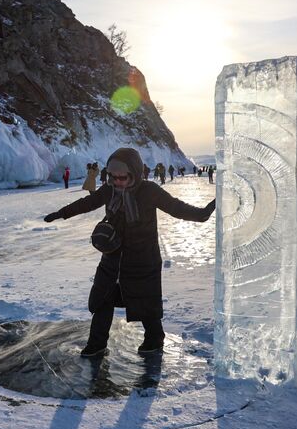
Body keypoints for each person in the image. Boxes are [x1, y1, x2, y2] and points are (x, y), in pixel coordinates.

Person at [44, 148, 215, 356]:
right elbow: (87, 203)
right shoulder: (109, 190)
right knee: (102, 299)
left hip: (143, 259)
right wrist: (61, 213)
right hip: (112, 258)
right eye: (113, 177)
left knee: (145, 303)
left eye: (122, 177)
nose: (117, 182)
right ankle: (96, 344)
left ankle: (154, 338)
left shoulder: (149, 191)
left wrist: (203, 214)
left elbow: (175, 207)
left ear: (134, 173)